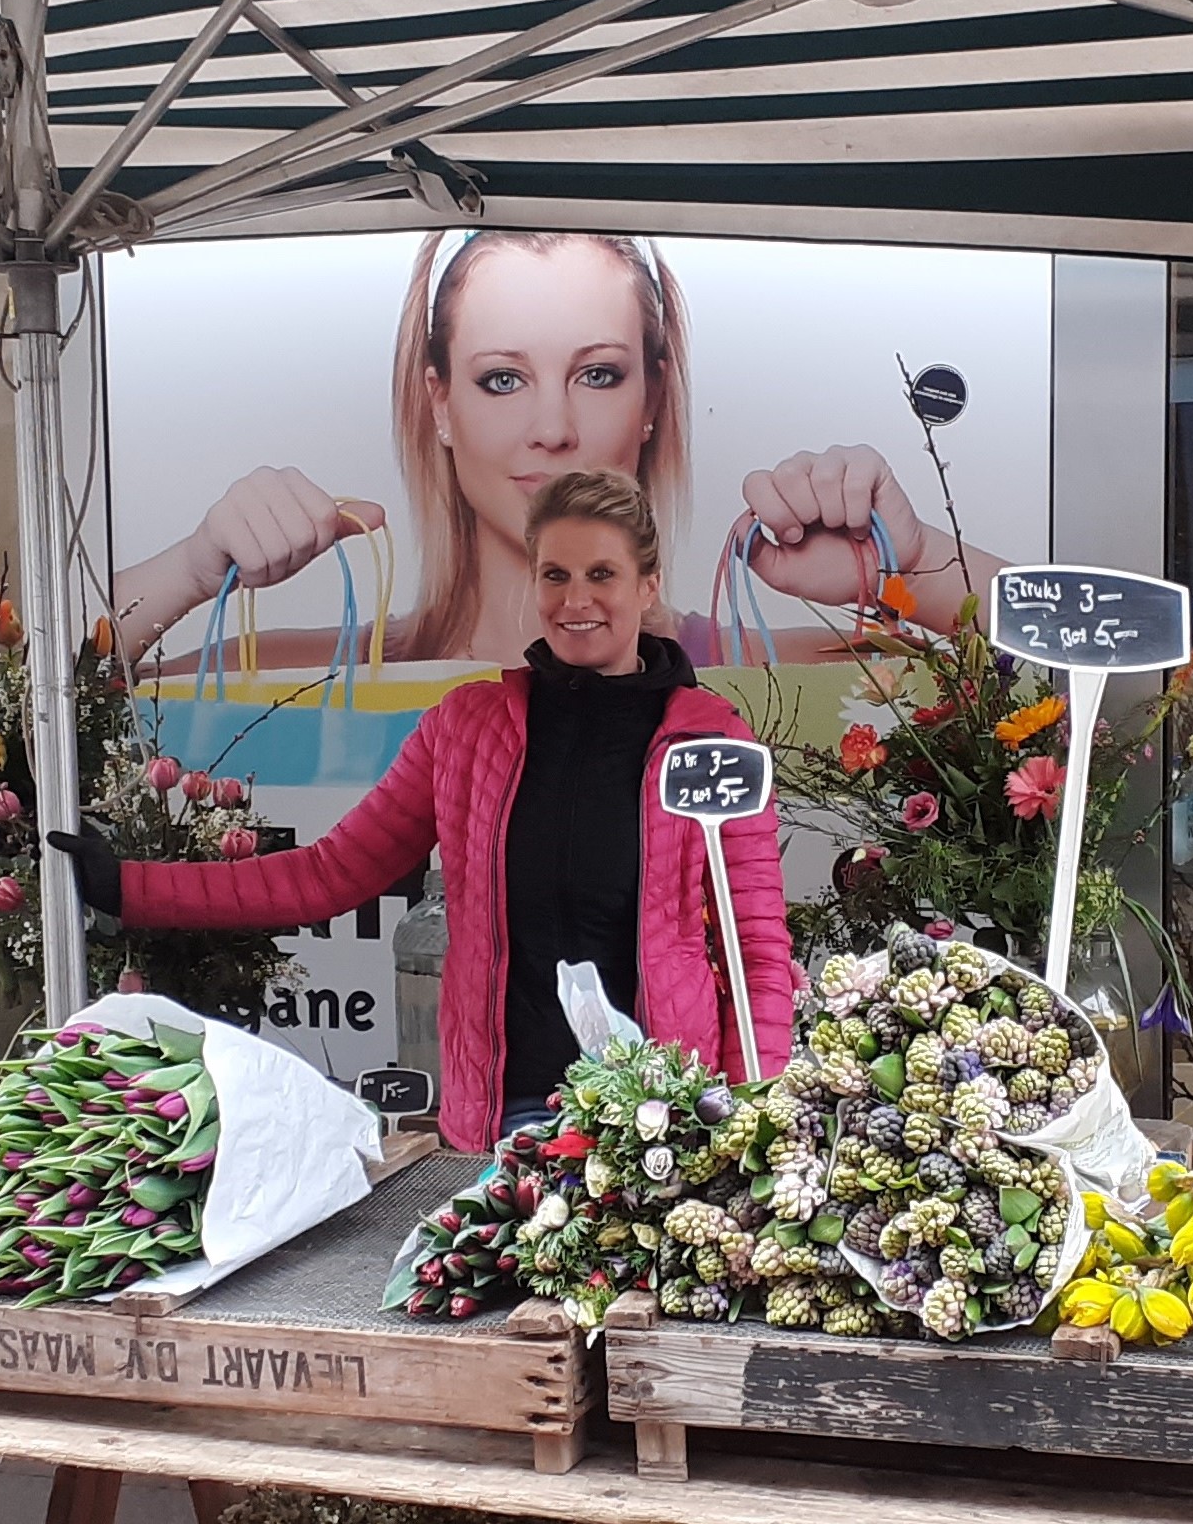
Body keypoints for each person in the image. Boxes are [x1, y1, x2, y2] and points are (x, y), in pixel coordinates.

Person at [54, 469, 801, 1151]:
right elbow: (330, 874)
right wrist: (126, 887)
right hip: (511, 1120)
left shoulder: (710, 734)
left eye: (602, 573)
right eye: (555, 574)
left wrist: (747, 1116)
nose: (576, 600)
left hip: (662, 1120)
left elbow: (756, 954)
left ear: (648, 585)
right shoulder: (464, 726)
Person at [110, 229, 1002, 669]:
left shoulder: (752, 676)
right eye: (502, 378)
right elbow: (13, 720)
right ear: (440, 404)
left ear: (652, 398)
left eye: (598, 375)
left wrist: (909, 568)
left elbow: (1114, 705)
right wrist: (191, 566)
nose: (552, 428)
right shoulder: (307, 681)